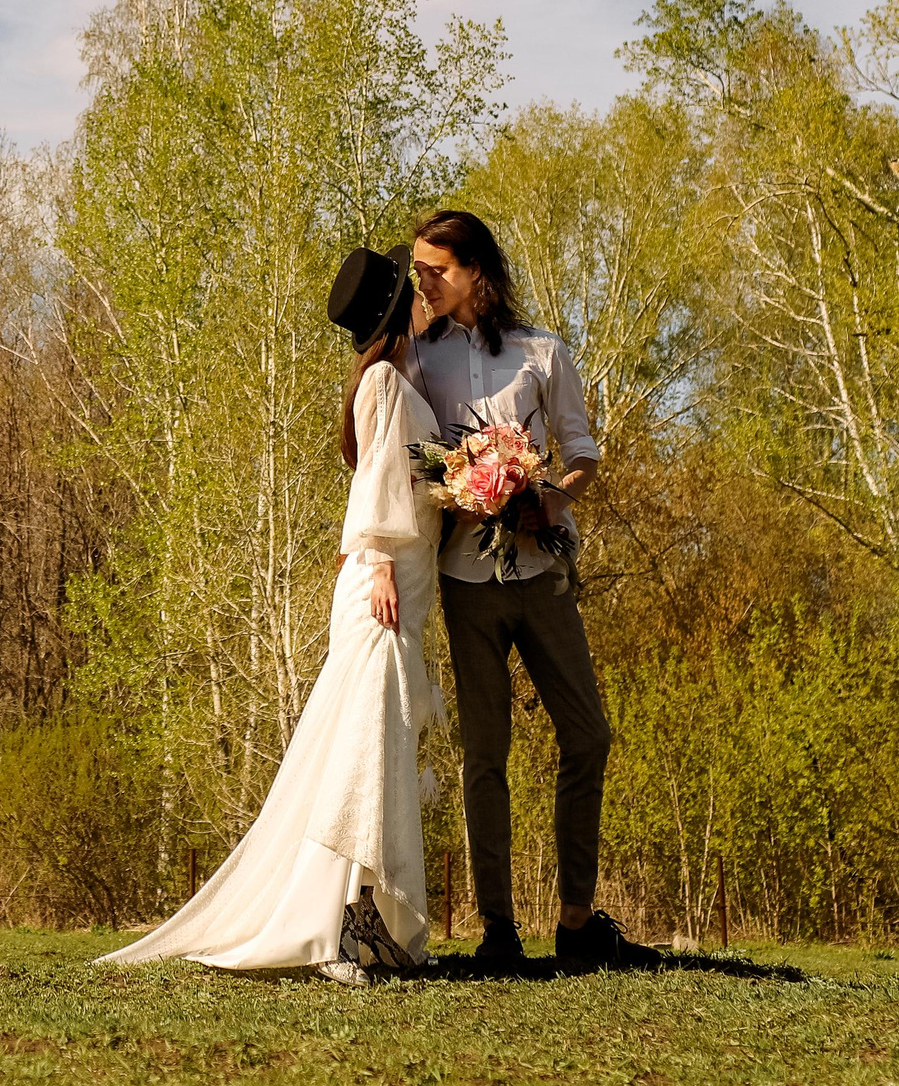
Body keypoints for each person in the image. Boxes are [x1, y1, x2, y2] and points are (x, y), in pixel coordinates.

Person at [96, 245, 443, 982]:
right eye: (412, 286)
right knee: (361, 755)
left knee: (377, 751)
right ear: (398, 306)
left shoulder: (399, 379)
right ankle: (334, 931)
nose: (422, 291)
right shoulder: (384, 378)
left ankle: (371, 924)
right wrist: (379, 557)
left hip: (404, 585)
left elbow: (409, 476)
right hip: (381, 582)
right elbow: (377, 482)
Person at [408, 208, 661, 973]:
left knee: (588, 734)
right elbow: (411, 458)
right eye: (418, 269)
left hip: (542, 573)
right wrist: (459, 485)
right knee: (485, 754)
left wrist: (550, 495)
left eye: (436, 269)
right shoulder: (420, 361)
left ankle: (578, 923)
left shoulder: (544, 352)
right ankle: (499, 934)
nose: (423, 280)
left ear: (476, 271)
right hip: (466, 579)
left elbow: (582, 453)